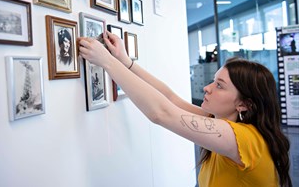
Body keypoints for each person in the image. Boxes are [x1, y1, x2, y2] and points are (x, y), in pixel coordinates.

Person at [77, 32, 292, 187]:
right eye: (213, 81)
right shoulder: (223, 123)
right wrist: (124, 61)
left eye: (219, 85)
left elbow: (161, 113)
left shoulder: (244, 138)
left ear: (243, 104)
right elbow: (170, 99)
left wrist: (106, 62)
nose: (206, 88)